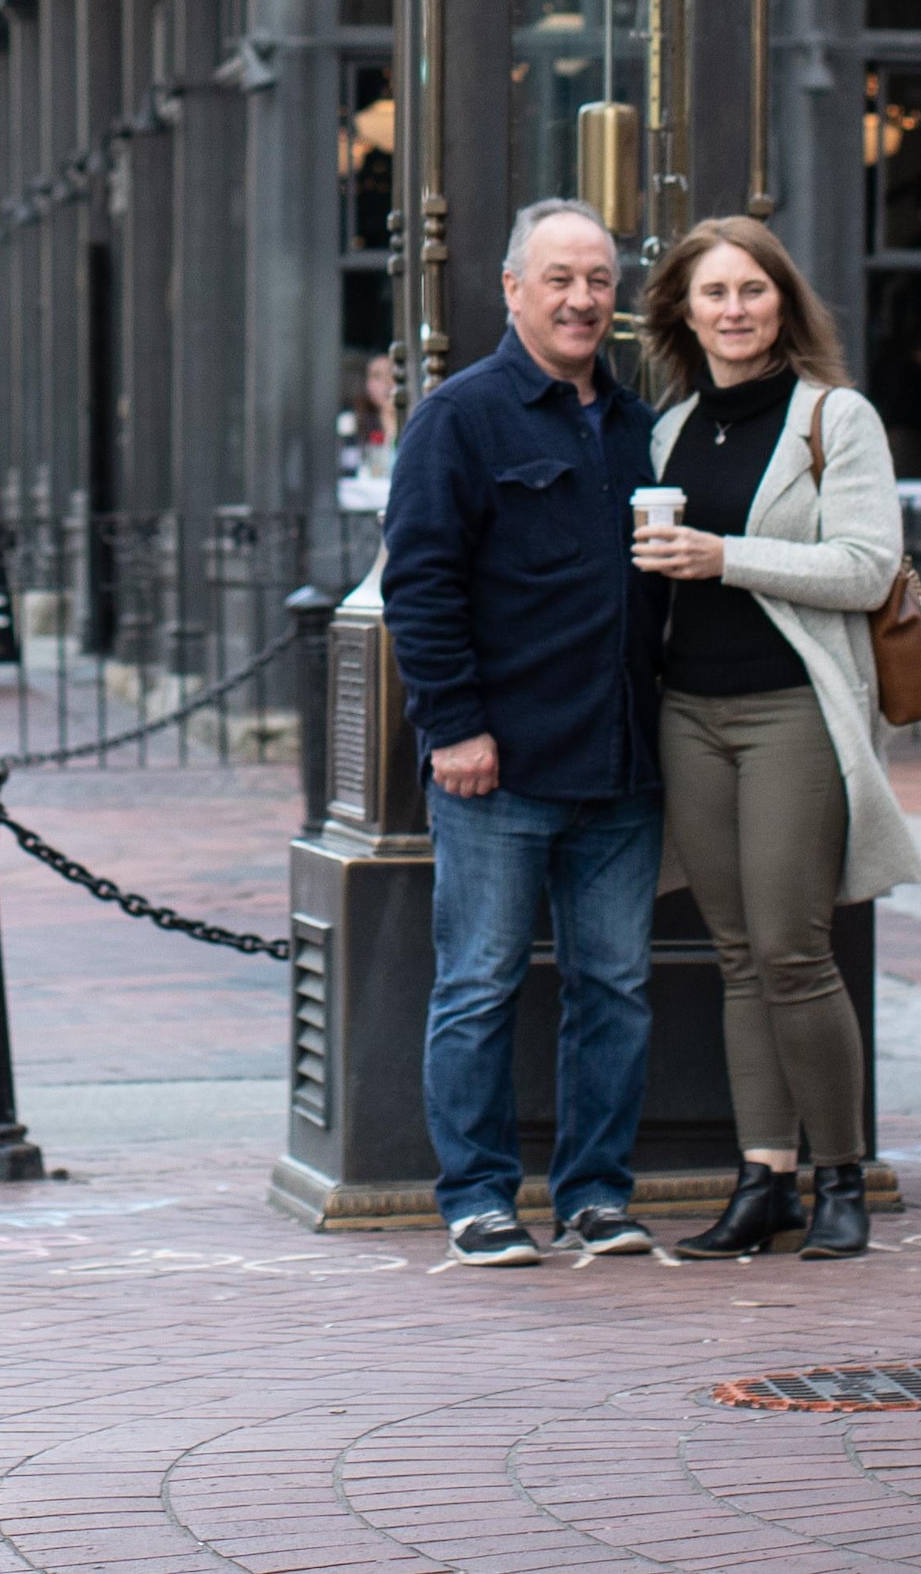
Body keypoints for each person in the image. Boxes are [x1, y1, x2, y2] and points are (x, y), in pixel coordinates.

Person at [627, 216, 921, 1261]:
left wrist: (724, 557)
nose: (734, 309)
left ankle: (839, 1176)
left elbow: (862, 567)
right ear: (682, 311)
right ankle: (764, 1181)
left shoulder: (832, 420)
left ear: (782, 304)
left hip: (793, 710)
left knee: (795, 952)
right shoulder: (664, 433)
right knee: (736, 956)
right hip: (688, 714)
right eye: (713, 292)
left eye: (752, 289)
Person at [381, 196, 660, 1269]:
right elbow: (420, 581)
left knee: (615, 991)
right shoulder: (458, 417)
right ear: (511, 290)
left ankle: (594, 1193)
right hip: (495, 766)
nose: (583, 297)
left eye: (597, 279)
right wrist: (452, 725)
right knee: (478, 985)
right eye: (559, 278)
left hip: (621, 763)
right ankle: (477, 1195)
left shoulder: (641, 428)